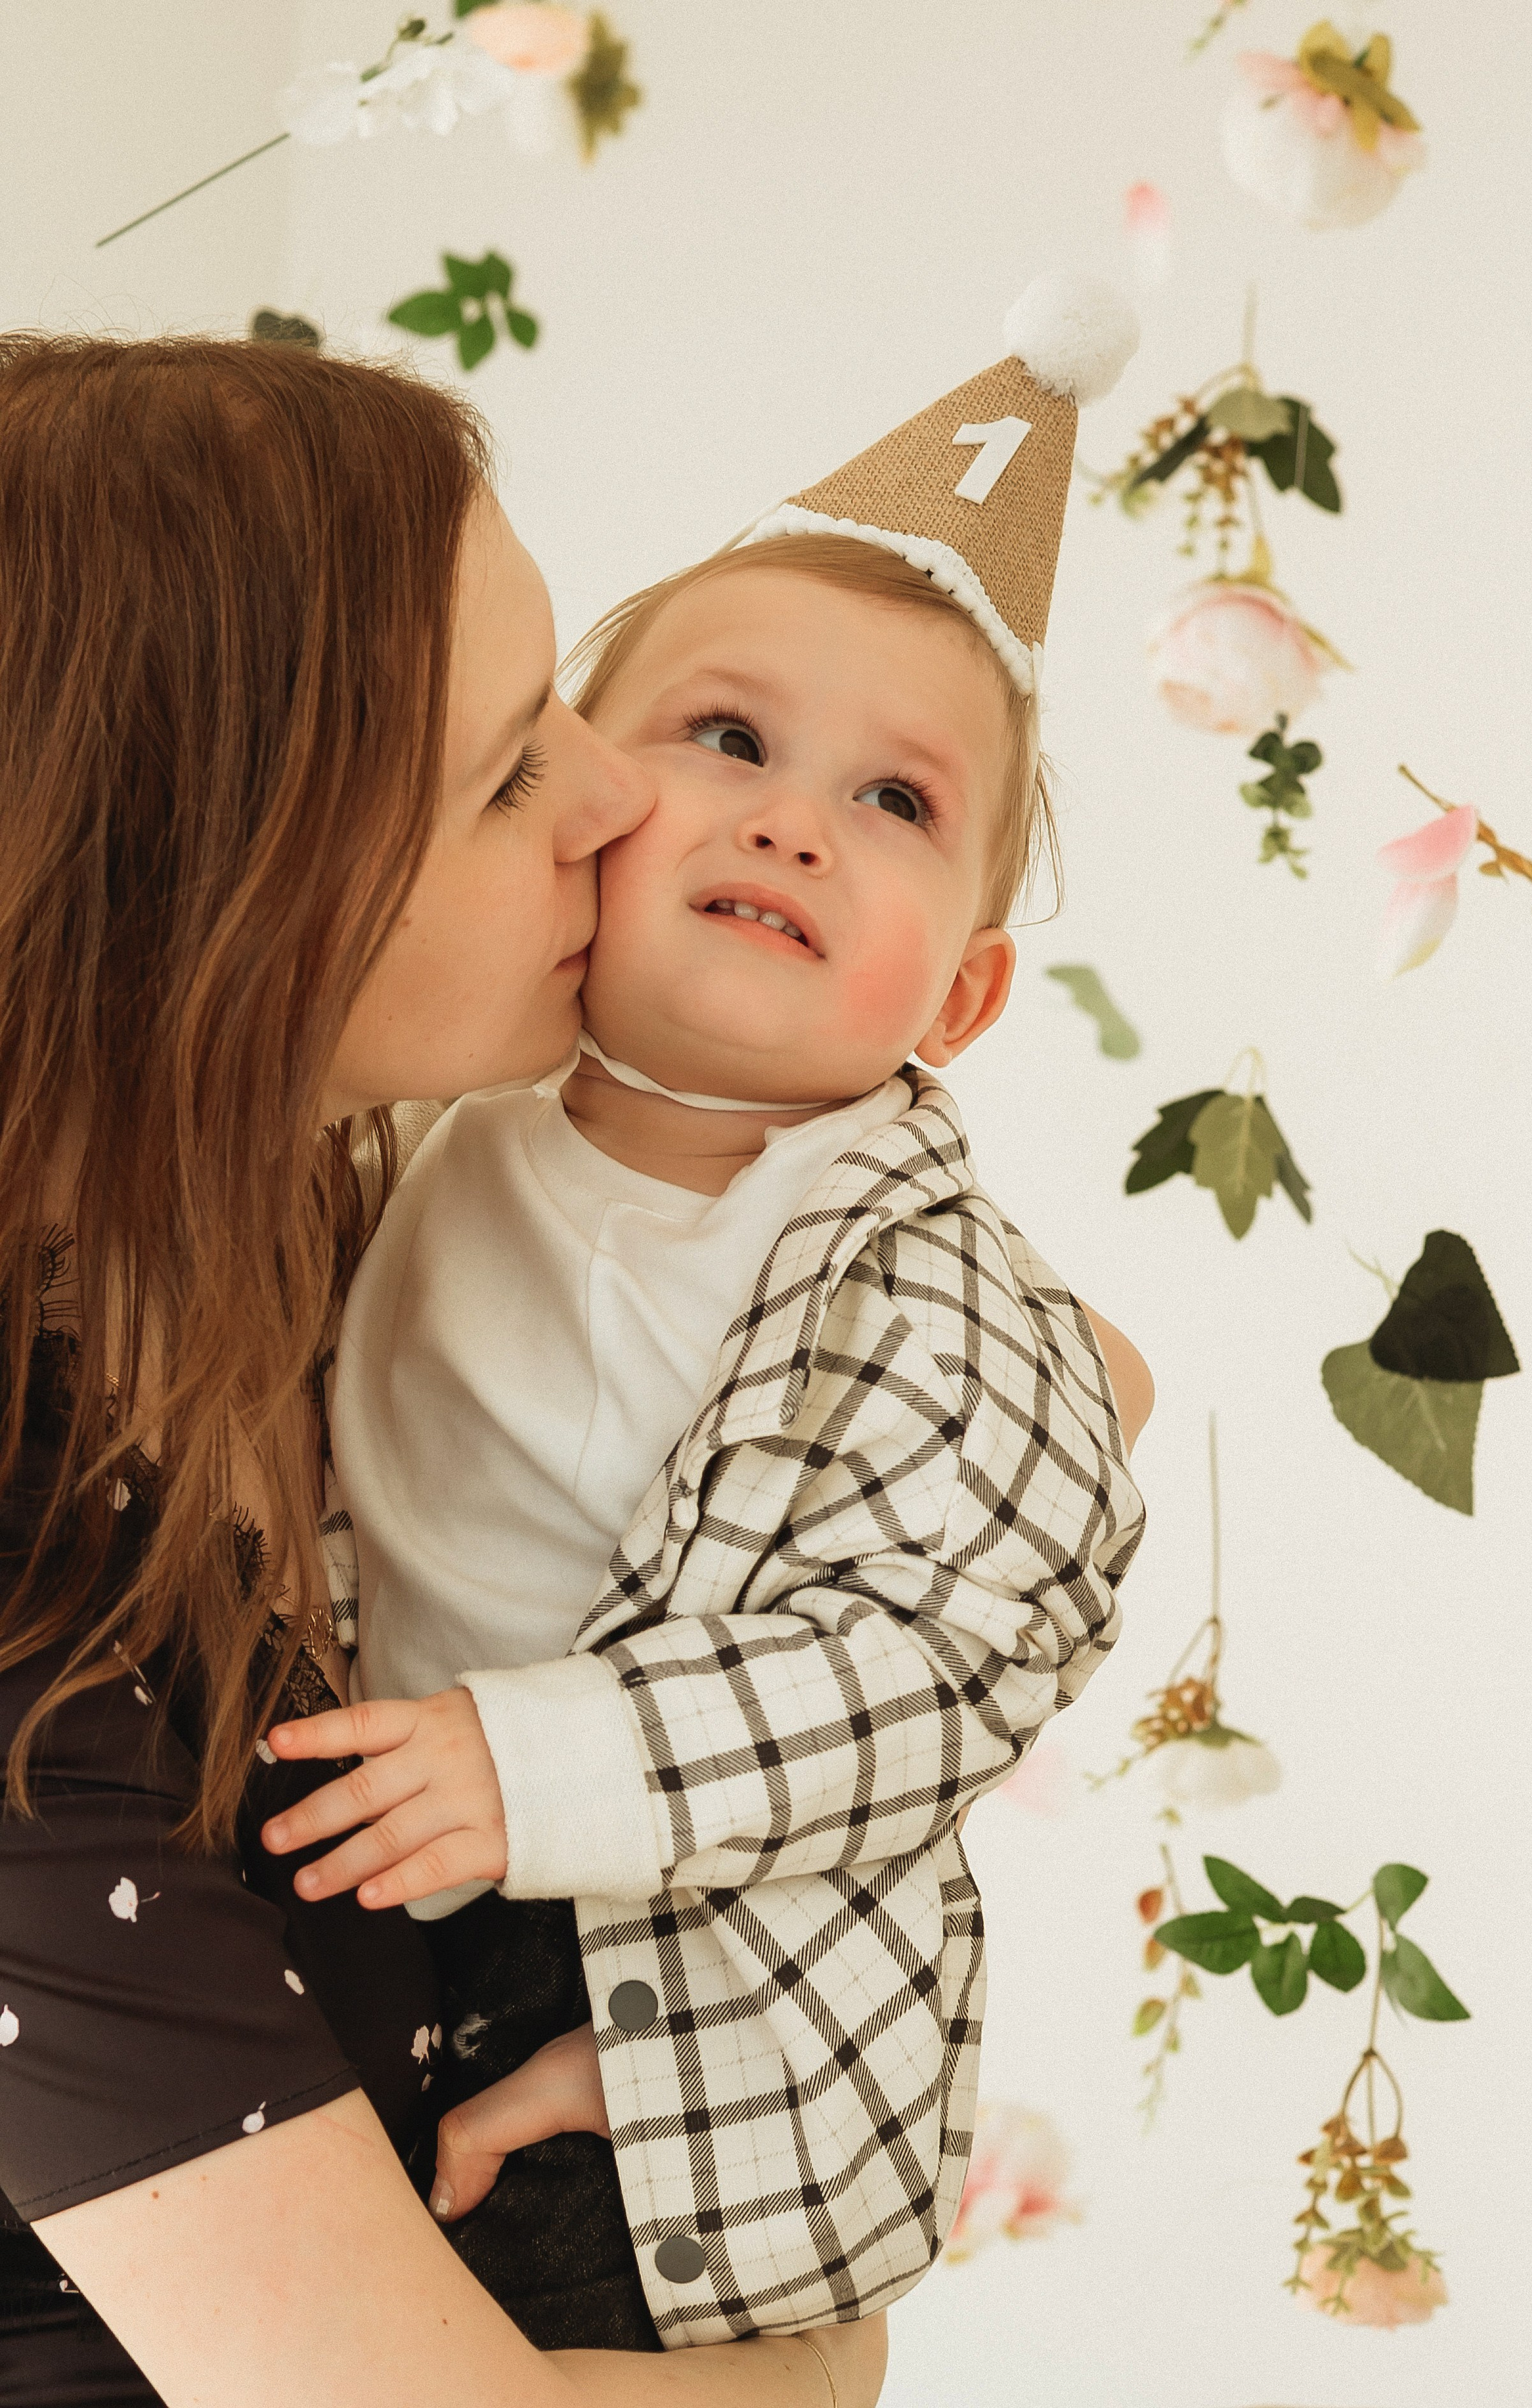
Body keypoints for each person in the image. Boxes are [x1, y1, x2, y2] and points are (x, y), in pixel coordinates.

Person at [261, 276, 1153, 2351]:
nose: (790, 819)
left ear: (959, 1001)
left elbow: (949, 1655)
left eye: (895, 805)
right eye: (729, 740)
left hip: (699, 1978)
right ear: (574, 799)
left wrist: (550, 1777)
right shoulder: (420, 1126)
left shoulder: (924, 1279)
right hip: (384, 1862)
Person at [0, 331, 884, 2408]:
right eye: (506, 770)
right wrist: (821, 2352)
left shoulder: (341, 1243)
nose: (620, 791)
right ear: (208, 917)